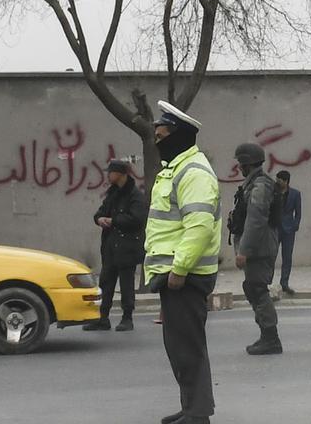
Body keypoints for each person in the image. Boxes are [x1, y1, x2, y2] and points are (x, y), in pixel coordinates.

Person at [145, 100, 220, 424]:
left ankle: (198, 413)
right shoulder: (177, 168)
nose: (157, 140)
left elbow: (199, 225)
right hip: (175, 274)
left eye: (160, 134)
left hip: (186, 275)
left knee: (187, 347)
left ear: (178, 135)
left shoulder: (193, 172)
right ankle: (191, 406)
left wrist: (179, 269)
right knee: (180, 346)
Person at [84, 159, 147, 332]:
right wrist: (100, 219)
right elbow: (100, 211)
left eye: (111, 172)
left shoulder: (135, 196)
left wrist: (114, 221)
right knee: (106, 283)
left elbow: (137, 219)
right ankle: (102, 318)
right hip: (111, 247)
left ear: (121, 174)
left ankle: (127, 318)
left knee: (126, 285)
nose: (108, 175)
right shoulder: (112, 194)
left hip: (127, 248)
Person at [231, 143, 282, 355]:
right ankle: (267, 335)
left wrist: (244, 251)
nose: (239, 167)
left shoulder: (260, 186)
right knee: (253, 288)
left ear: (246, 163)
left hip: (259, 248)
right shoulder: (253, 184)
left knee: (257, 289)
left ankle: (270, 338)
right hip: (258, 246)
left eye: (240, 163)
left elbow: (256, 220)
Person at [274, 170, 302, 295]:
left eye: (280, 180)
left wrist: (295, 226)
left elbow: (298, 212)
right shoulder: (274, 193)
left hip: (288, 230)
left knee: (287, 257)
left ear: (286, 181)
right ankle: (268, 282)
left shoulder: (295, 194)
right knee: (271, 256)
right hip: (275, 228)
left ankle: (284, 283)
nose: (277, 182)